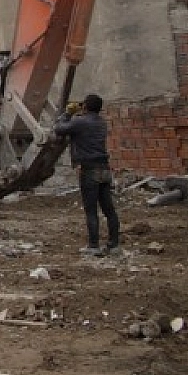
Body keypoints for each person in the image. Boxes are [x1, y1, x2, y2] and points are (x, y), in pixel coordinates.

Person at [53, 93, 120, 256]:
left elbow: (59, 129)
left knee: (91, 210)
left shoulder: (80, 122)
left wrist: (68, 114)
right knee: (109, 209)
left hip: (89, 170)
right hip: (104, 168)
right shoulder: (101, 123)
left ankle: (93, 246)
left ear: (86, 107)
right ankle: (114, 245)